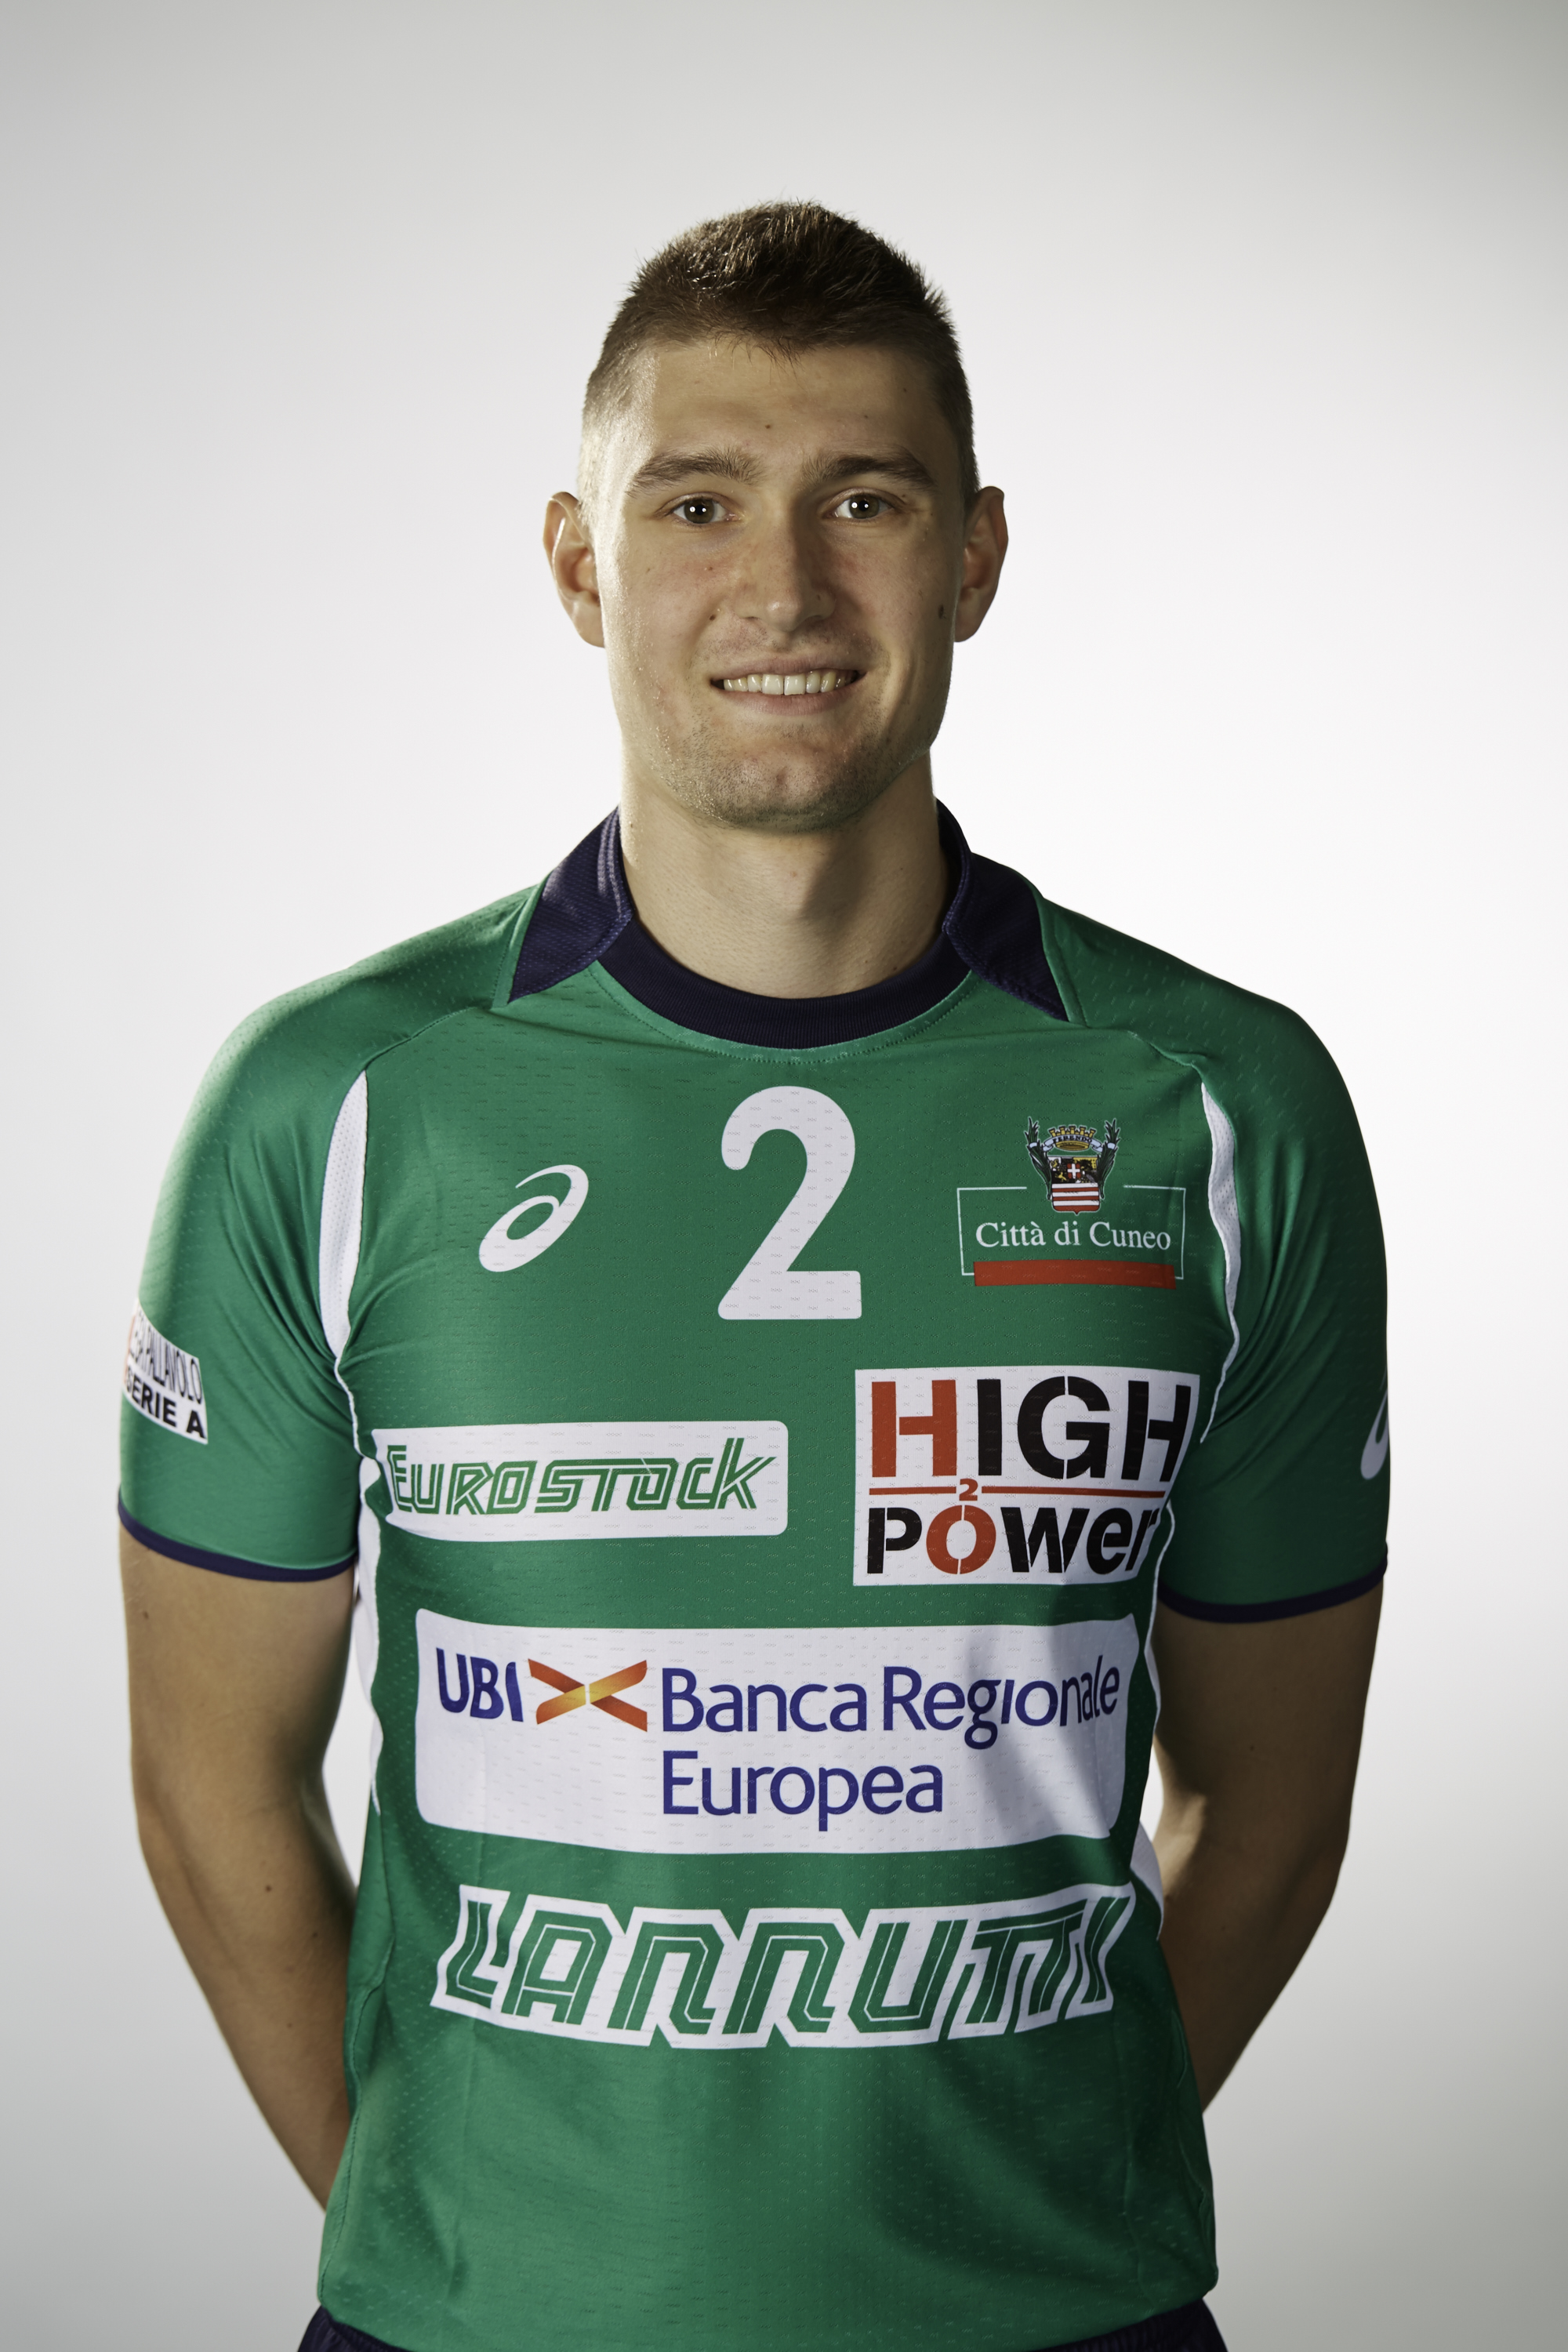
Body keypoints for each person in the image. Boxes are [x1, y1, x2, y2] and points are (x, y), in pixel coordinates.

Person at [120, 201, 1387, 2352]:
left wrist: (1033, 2188)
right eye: (696, 502)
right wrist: (458, 2238)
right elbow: (207, 1781)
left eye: (864, 500)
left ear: (976, 555)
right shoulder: (334, 1104)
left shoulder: (1224, 1106)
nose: (784, 588)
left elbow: (1272, 1806)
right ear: (578, 564)